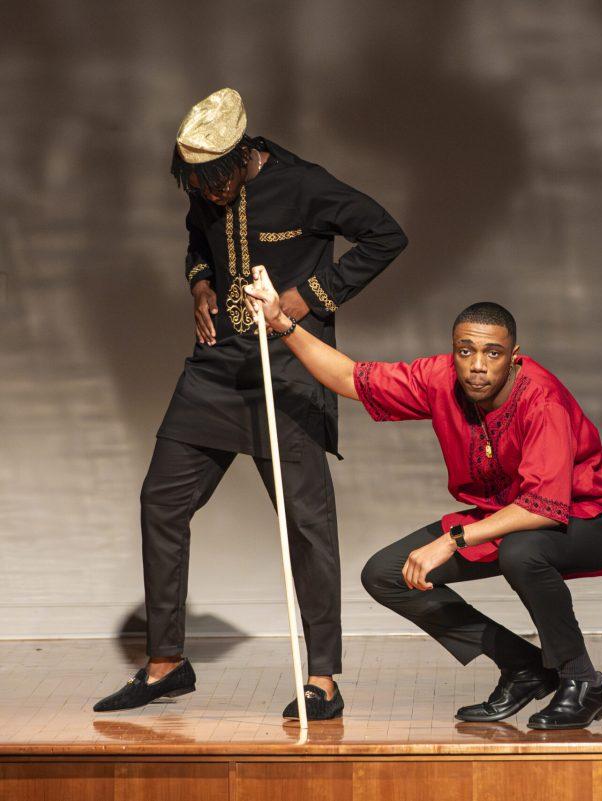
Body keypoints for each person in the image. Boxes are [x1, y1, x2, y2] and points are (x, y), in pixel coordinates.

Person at [93, 88, 408, 720]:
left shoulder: (304, 186)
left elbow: (384, 233)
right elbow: (197, 239)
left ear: (243, 155)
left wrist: (309, 295)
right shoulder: (204, 187)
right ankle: (166, 664)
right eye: (196, 182)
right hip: (216, 371)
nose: (208, 193)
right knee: (162, 499)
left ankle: (322, 680)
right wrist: (201, 284)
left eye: (215, 179)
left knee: (306, 525)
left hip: (290, 369)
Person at [244, 269, 602, 730]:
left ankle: (581, 678)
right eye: (465, 352)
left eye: (492, 354)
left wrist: (452, 539)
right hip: (501, 516)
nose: (477, 366)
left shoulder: (541, 400)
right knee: (386, 574)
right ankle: (523, 666)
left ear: (514, 358)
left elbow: (542, 507)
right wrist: (281, 324)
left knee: (522, 550)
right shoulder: (441, 379)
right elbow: (350, 378)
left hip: (586, 517)